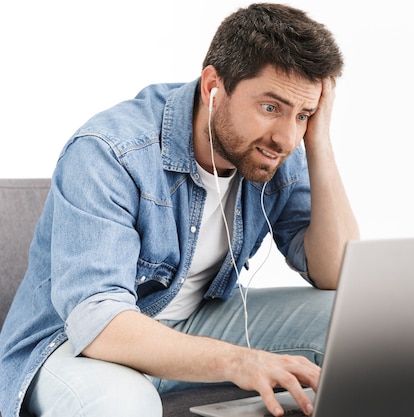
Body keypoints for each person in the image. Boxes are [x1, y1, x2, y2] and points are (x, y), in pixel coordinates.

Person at [0, 3, 359, 417]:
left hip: (194, 322)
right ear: (213, 87)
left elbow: (335, 273)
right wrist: (238, 361)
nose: (286, 137)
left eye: (303, 115)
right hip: (74, 345)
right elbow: (98, 324)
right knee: (121, 404)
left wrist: (320, 143)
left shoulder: (279, 149)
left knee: (356, 326)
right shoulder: (109, 151)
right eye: (270, 107)